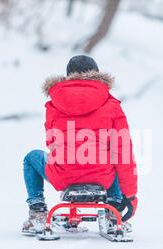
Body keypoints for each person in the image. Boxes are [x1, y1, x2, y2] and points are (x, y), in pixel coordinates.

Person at [22, 55, 138, 234]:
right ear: (97, 75)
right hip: (102, 177)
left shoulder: (54, 104)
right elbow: (124, 153)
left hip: (63, 175)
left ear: (68, 76)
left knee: (31, 158)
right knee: (113, 155)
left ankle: (37, 212)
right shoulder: (112, 105)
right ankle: (113, 208)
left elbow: (52, 143)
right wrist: (130, 195)